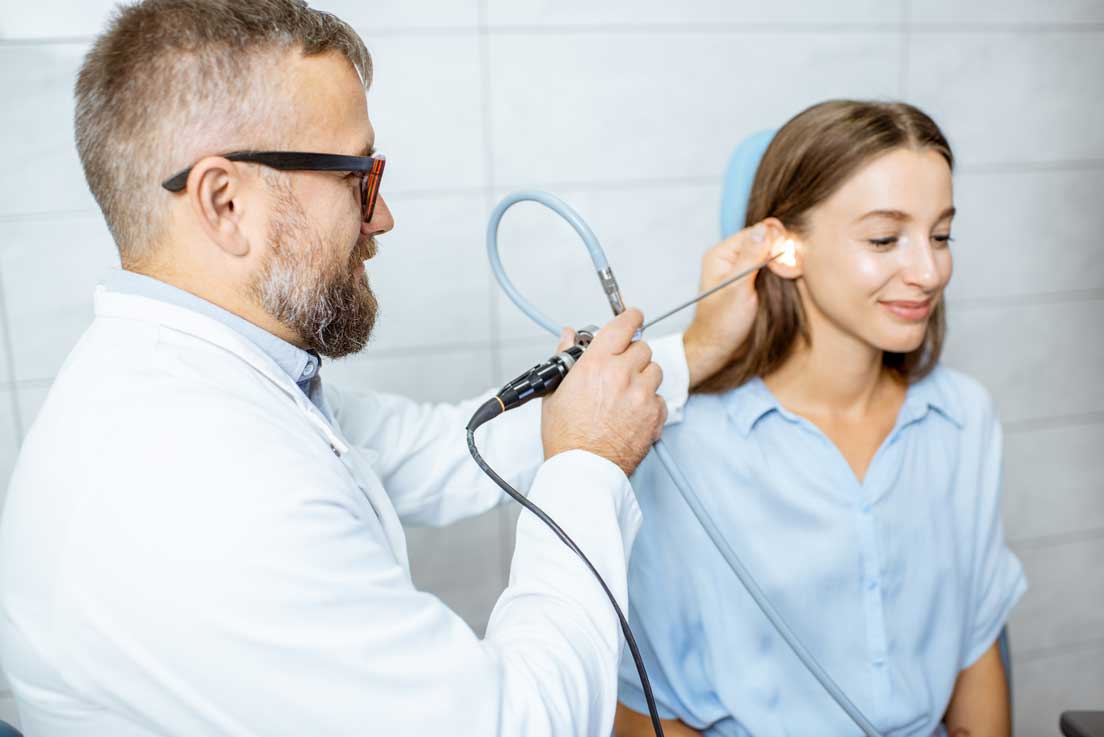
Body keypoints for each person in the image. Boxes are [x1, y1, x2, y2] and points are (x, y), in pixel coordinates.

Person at [0, 1, 772, 736]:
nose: (382, 216)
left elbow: (438, 448)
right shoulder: (199, 484)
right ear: (224, 202)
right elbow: (519, 725)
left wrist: (695, 352)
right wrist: (588, 464)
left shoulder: (205, 380)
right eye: (355, 177)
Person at [614, 100, 1027, 737]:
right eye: (884, 239)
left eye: (941, 236)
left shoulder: (962, 419)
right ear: (783, 250)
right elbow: (649, 710)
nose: (928, 272)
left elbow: (976, 651)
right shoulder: (683, 447)